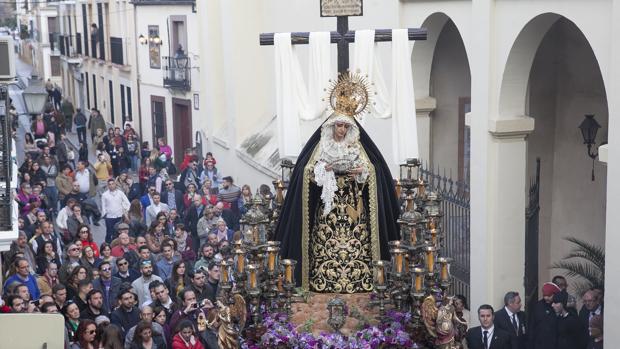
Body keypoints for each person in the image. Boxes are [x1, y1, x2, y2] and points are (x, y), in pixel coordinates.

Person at [274, 78, 401, 292]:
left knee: (357, 245)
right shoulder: (322, 146)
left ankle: (361, 280)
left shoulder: (358, 147)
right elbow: (307, 172)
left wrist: (362, 171)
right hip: (328, 208)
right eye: (338, 125)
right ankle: (322, 280)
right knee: (324, 243)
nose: (341, 130)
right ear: (332, 126)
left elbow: (374, 169)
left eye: (344, 126)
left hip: (354, 208)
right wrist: (325, 170)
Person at [528, 282, 561, 349]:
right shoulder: (537, 306)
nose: (546, 298)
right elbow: (532, 327)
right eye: (544, 295)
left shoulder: (560, 306)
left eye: (549, 296)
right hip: (539, 345)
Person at [101, 178, 131, 243]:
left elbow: (127, 203)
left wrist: (126, 211)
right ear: (108, 185)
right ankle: (108, 246)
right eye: (110, 184)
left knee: (119, 232)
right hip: (109, 217)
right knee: (109, 233)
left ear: (115, 184)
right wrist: (104, 215)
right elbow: (103, 206)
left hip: (119, 216)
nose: (111, 186)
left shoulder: (120, 193)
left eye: (112, 184)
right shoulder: (104, 195)